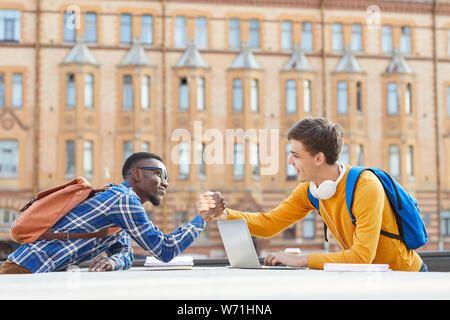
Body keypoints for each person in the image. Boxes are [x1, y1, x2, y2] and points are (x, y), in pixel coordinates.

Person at [200, 117, 427, 272]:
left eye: (295, 155)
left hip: (407, 277)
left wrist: (301, 260)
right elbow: (269, 224)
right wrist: (222, 214)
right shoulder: (311, 192)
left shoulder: (365, 186)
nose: (290, 161)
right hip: (372, 277)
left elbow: (361, 256)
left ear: (318, 158)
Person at [0, 152, 224, 274]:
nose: (165, 183)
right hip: (23, 271)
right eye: (160, 174)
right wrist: (202, 219)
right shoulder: (123, 200)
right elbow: (164, 250)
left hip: (37, 273)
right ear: (136, 174)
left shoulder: (120, 205)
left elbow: (125, 252)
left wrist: (113, 262)